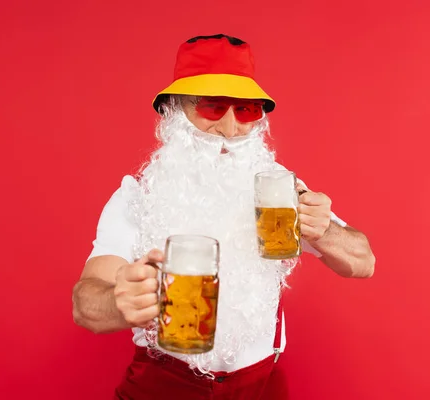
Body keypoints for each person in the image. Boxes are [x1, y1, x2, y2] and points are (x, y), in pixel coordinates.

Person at [72, 34, 375, 399]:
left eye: (245, 109)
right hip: (164, 386)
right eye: (213, 107)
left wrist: (323, 229)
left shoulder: (279, 190)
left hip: (261, 386)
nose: (230, 130)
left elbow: (363, 262)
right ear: (174, 110)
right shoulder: (138, 195)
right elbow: (85, 304)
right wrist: (119, 302)